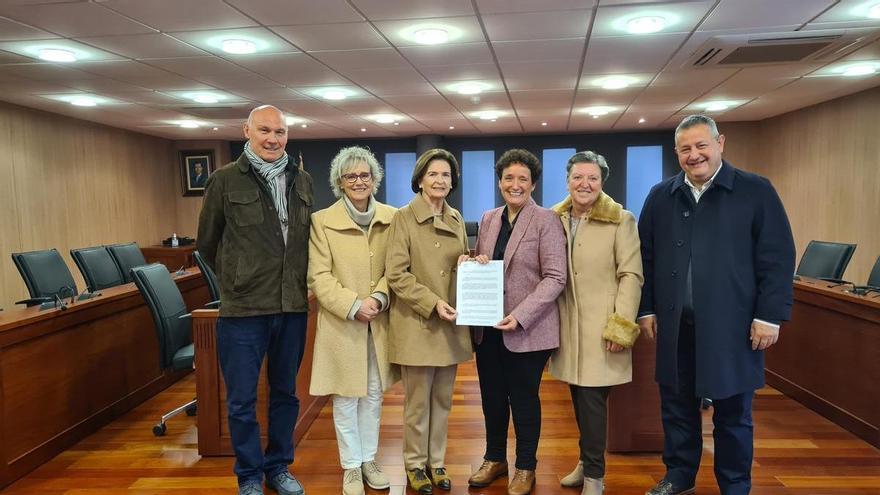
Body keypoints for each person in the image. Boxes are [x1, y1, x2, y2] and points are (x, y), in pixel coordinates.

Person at [638, 115, 795, 495]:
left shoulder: (755, 191)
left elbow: (777, 257)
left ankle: (735, 484)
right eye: (685, 149)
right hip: (676, 327)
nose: (694, 156)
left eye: (701, 146)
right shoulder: (661, 196)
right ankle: (679, 475)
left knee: (733, 414)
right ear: (676, 153)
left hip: (734, 329)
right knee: (676, 408)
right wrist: (646, 309)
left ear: (720, 143)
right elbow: (644, 259)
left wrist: (769, 316)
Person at [197, 105, 313, 495]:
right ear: (246, 130)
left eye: (280, 132)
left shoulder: (303, 181)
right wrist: (238, 278)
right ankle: (249, 474)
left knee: (286, 395)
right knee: (242, 400)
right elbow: (207, 244)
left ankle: (278, 467)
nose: (272, 139)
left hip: (292, 307)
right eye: (264, 130)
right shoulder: (224, 180)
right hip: (243, 311)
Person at [464, 149, 566, 495]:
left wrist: (520, 316)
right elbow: (489, 262)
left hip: (528, 329)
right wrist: (473, 261)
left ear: (533, 183)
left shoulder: (546, 220)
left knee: (523, 399)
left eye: (523, 178)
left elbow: (555, 277)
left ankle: (525, 466)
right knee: (491, 397)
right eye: (509, 178)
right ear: (500, 181)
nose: (515, 184)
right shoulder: (490, 217)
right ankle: (495, 458)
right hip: (488, 328)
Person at [548, 151, 643, 495]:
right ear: (567, 180)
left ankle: (595, 478)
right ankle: (586, 462)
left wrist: (621, 325)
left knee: (592, 402)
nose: (584, 184)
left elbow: (631, 275)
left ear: (602, 182)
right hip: (567, 327)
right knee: (579, 398)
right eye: (577, 177)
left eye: (592, 178)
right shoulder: (554, 218)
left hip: (602, 327)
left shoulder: (621, 220)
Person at [307, 146, 399, 495]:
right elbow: (319, 277)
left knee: (374, 393)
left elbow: (397, 267)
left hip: (378, 319)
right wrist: (353, 305)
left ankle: (369, 460)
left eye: (365, 175)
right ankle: (350, 467)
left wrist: (378, 297)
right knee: (346, 397)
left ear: (375, 179)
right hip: (342, 323)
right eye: (351, 177)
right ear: (340, 183)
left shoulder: (393, 217)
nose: (359, 181)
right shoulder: (322, 221)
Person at [385, 149, 471, 495]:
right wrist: (432, 302)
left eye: (446, 175)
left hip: (449, 325)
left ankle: (436, 461)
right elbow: (396, 275)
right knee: (417, 403)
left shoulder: (455, 218)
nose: (440, 181)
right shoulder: (403, 218)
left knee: (443, 401)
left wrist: (470, 262)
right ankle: (415, 464)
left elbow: (456, 263)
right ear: (420, 179)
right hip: (418, 323)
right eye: (433, 174)